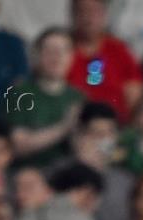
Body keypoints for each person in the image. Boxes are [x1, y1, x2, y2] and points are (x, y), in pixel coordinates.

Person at [51, 102, 135, 220]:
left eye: (110, 133)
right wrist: (84, 169)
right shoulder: (59, 171)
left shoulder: (125, 181)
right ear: (81, 135)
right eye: (97, 134)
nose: (105, 140)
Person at [8, 28, 85, 169]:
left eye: (63, 51)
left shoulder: (78, 97)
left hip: (67, 172)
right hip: (27, 171)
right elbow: (19, 146)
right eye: (50, 51)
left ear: (71, 57)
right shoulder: (20, 93)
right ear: (37, 56)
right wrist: (64, 127)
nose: (57, 57)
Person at [67, 0, 143, 123]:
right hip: (72, 125)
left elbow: (135, 99)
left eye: (95, 11)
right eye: (82, 11)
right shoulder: (62, 49)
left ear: (104, 14)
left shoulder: (119, 50)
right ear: (72, 14)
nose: (88, 17)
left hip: (116, 126)